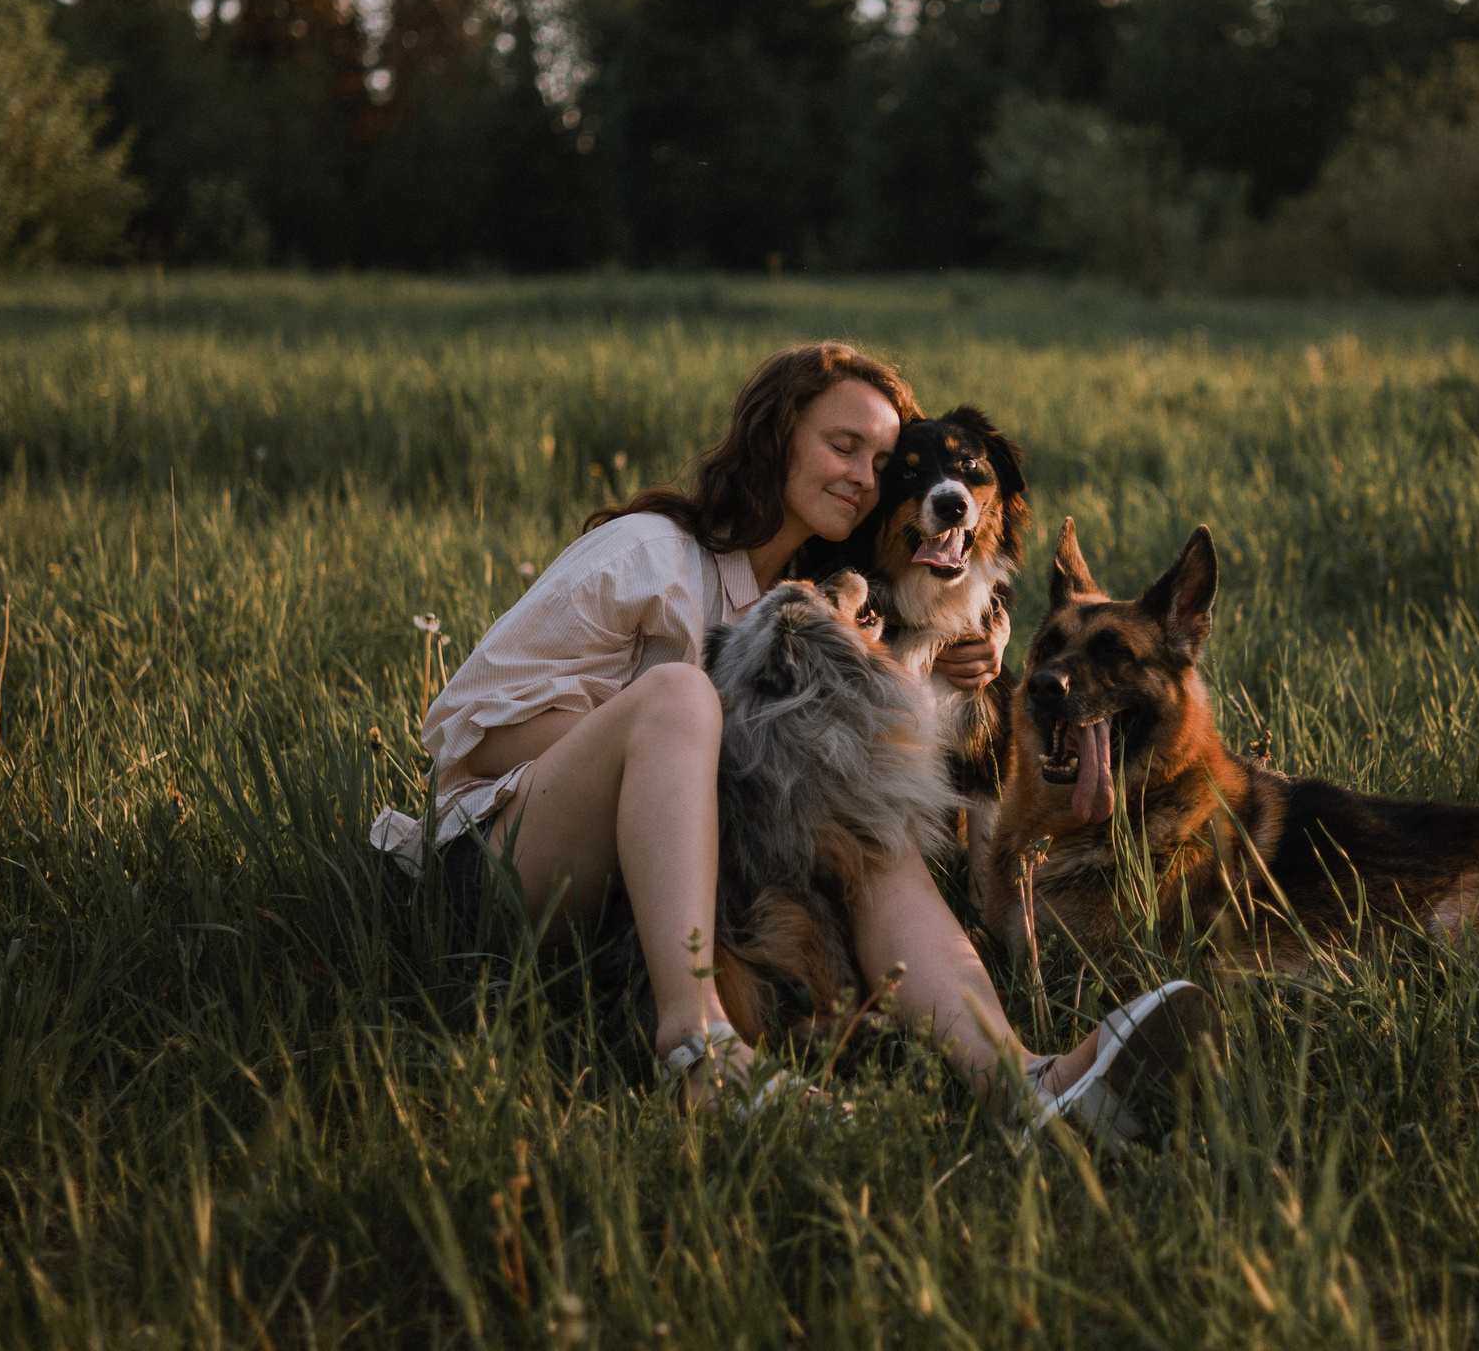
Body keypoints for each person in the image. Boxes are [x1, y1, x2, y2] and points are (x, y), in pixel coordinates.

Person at [371, 341, 1211, 1138]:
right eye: (841, 445)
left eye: (879, 466)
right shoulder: (650, 553)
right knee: (680, 697)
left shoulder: (824, 600)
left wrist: (967, 651)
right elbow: (472, 733)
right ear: (776, 439)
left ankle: (1023, 1081)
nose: (861, 477)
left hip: (668, 898)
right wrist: (694, 744)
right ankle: (699, 1046)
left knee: (866, 821)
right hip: (502, 869)